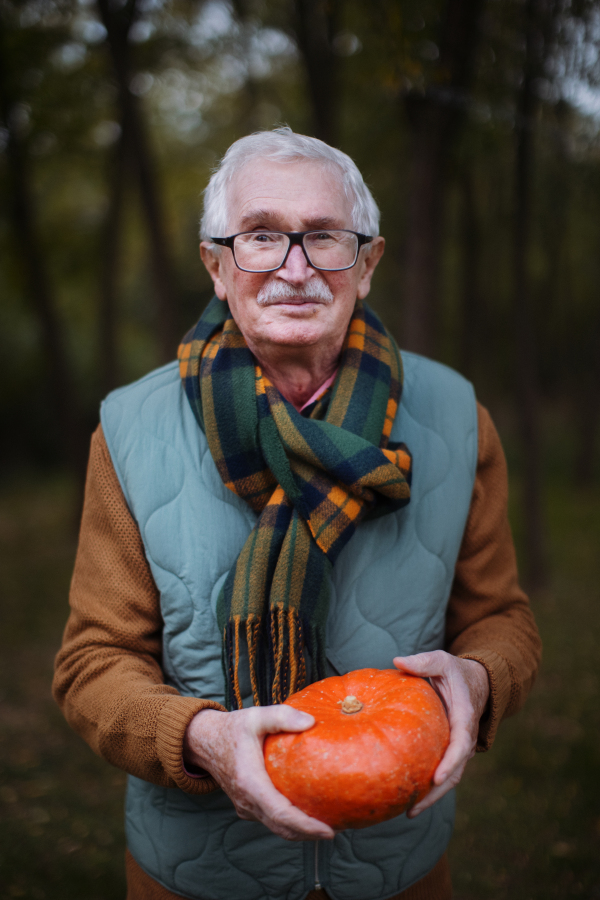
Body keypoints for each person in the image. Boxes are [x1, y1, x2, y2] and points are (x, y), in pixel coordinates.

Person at [53, 127, 541, 900]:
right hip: (196, 876)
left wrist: (480, 679)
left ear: (368, 263)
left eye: (323, 237)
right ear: (217, 267)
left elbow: (504, 620)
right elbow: (91, 665)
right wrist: (202, 739)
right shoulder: (128, 431)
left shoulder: (455, 415)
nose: (294, 267)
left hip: (399, 869)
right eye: (261, 237)